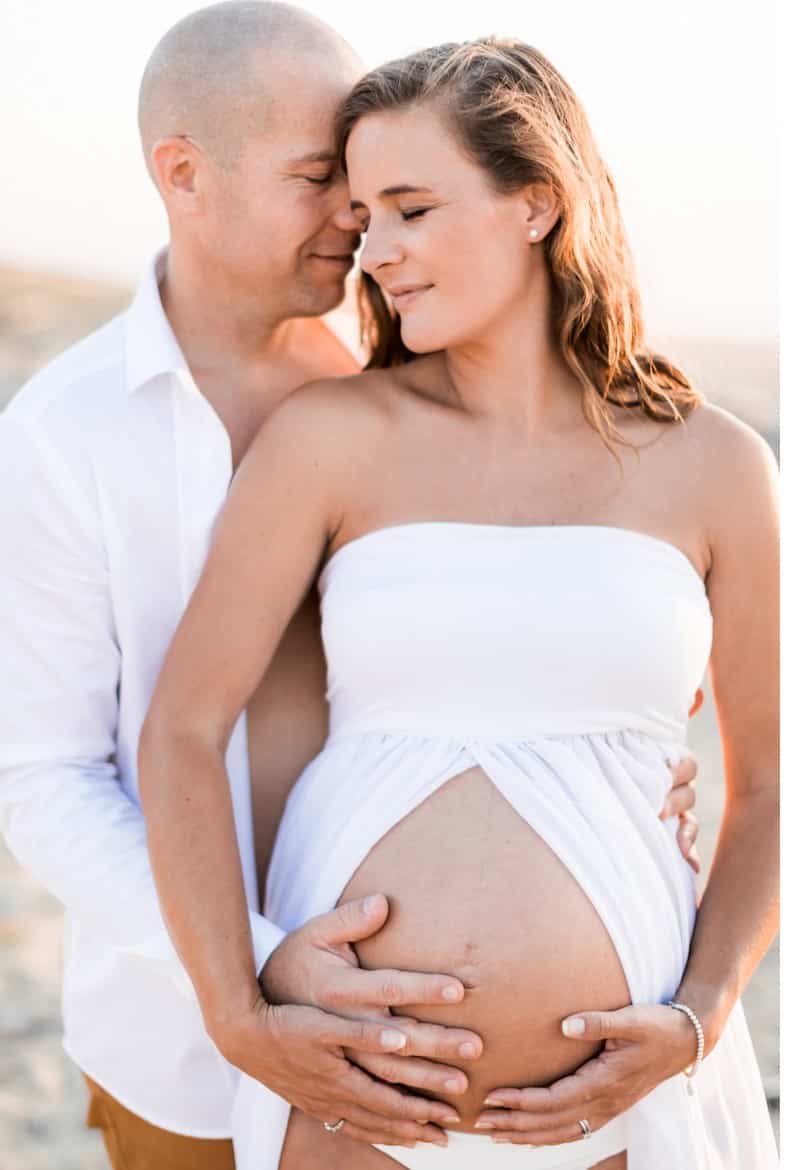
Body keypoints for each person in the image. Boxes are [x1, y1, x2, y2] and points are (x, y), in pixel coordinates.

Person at [0, 4, 702, 1167]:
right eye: (321, 177)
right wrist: (250, 967)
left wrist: (632, 759)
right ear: (185, 173)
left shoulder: (402, 372)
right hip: (178, 1029)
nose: (355, 221)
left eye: (379, 194)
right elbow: (39, 779)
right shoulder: (61, 436)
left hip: (419, 1026)